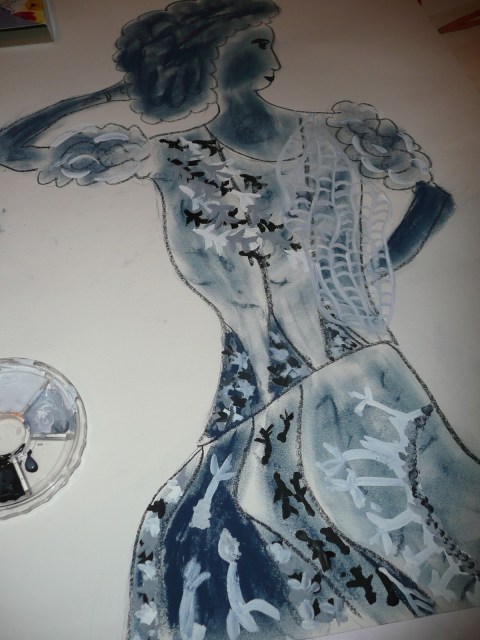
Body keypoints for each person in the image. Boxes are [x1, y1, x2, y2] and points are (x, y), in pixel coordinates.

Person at [0, 1, 478, 639]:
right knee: (224, 531)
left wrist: (363, 278)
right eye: (257, 43)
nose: (275, 57)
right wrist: (112, 91)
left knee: (417, 513)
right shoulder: (170, 154)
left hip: (358, 362)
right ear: (211, 56)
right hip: (253, 380)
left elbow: (433, 197)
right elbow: (12, 148)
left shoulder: (334, 132)